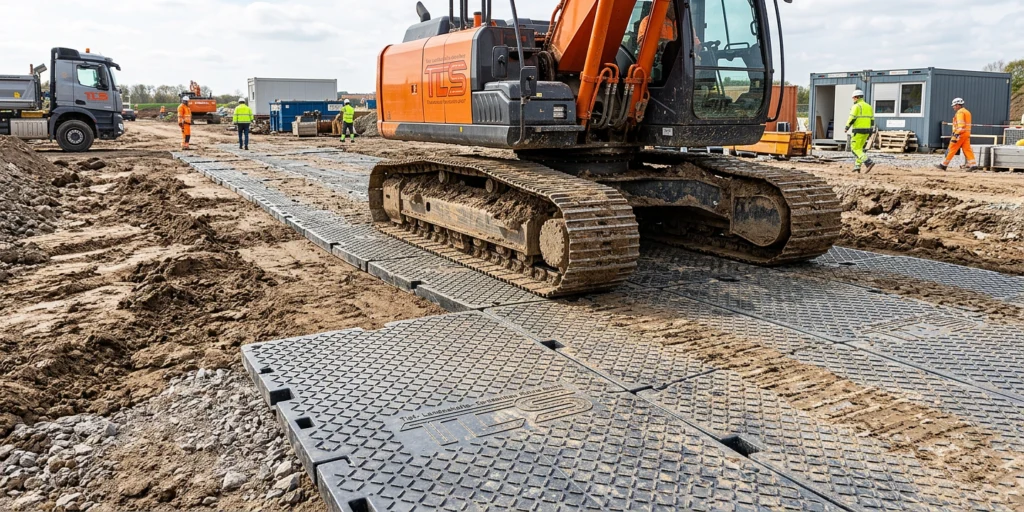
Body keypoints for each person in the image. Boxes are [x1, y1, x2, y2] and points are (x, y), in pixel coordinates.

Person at [935, 98, 977, 171]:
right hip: (966, 134)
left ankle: (944, 165)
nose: (953, 107)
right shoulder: (967, 112)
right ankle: (973, 165)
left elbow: (961, 125)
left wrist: (956, 134)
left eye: (954, 105)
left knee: (952, 149)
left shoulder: (960, 112)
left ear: (958, 105)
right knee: (967, 149)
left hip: (960, 134)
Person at [845, 89, 875, 173]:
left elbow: (852, 118)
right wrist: (871, 129)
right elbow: (872, 120)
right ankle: (857, 166)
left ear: (857, 97)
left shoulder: (856, 106)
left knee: (854, 149)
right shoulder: (869, 106)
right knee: (860, 149)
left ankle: (868, 162)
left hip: (858, 130)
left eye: (853, 98)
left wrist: (847, 127)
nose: (853, 99)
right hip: (867, 130)